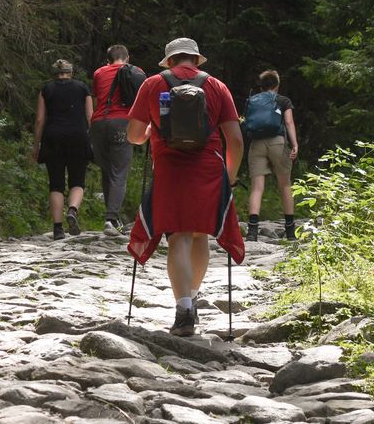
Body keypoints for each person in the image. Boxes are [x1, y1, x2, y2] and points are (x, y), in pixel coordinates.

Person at [126, 37, 245, 337]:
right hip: (208, 169)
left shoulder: (152, 84)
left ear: (169, 61)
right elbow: (236, 139)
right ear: (195, 59)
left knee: (178, 236)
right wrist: (229, 176)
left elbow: (133, 136)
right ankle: (191, 298)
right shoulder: (217, 86)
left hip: (170, 169)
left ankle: (183, 310)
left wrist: (153, 130)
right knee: (200, 234)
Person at [33, 59, 94, 239]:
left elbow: (40, 120)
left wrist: (36, 144)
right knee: (77, 181)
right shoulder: (82, 88)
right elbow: (90, 115)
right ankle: (73, 210)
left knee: (56, 184)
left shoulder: (47, 90)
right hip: (78, 136)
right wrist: (93, 139)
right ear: (71, 72)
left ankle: (58, 228)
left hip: (53, 138)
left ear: (54, 74)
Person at [89, 44, 143, 234]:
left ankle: (112, 217)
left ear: (108, 59)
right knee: (119, 172)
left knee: (107, 170)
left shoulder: (99, 73)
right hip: (122, 123)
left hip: (98, 124)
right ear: (127, 58)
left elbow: (96, 101)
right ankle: (111, 219)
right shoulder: (136, 72)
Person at [243, 70, 300, 241]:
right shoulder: (283, 100)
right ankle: (290, 231)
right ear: (277, 84)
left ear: (261, 85)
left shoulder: (252, 101)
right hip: (277, 142)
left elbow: (245, 121)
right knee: (285, 185)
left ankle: (252, 232)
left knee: (257, 188)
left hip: (257, 144)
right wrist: (295, 144)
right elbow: (289, 122)